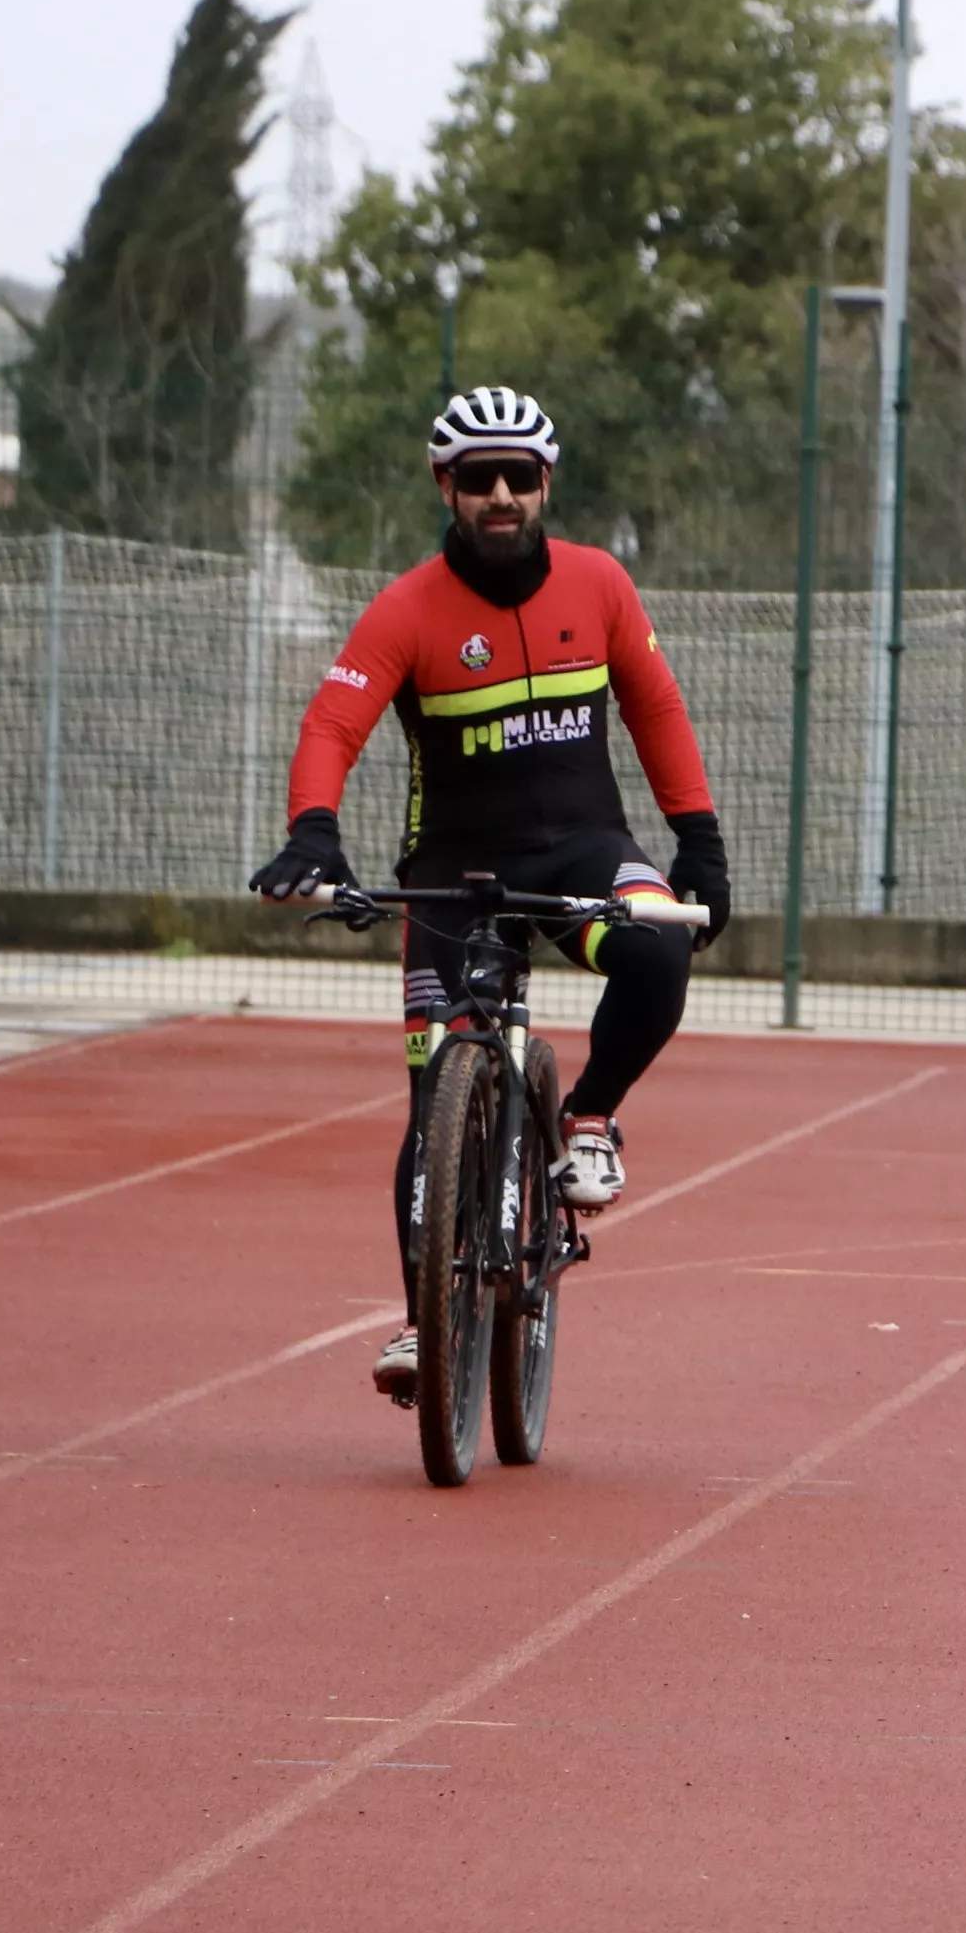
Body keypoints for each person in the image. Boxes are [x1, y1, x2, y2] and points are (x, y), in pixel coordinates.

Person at [249, 386, 729, 1401]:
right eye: (479, 479)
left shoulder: (599, 585)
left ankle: (589, 1118)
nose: (501, 494)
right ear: (446, 487)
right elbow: (332, 725)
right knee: (434, 1112)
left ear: (546, 483)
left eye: (519, 476)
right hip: (455, 877)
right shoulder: (407, 609)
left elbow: (656, 708)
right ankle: (427, 1325)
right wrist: (313, 831)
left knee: (655, 948)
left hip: (585, 854)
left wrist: (700, 843)